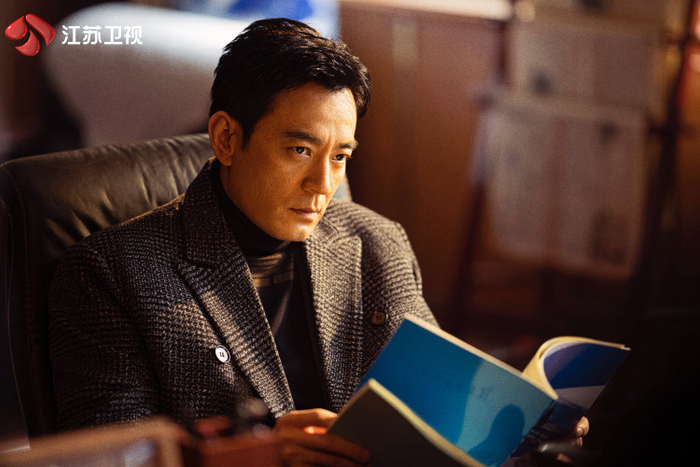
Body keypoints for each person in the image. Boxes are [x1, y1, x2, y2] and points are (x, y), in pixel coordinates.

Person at [49, 18, 588, 467]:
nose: (323, 185)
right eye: (301, 151)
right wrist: (256, 455)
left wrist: (515, 425)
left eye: (340, 156)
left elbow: (434, 397)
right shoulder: (112, 273)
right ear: (227, 138)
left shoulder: (376, 244)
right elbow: (112, 456)